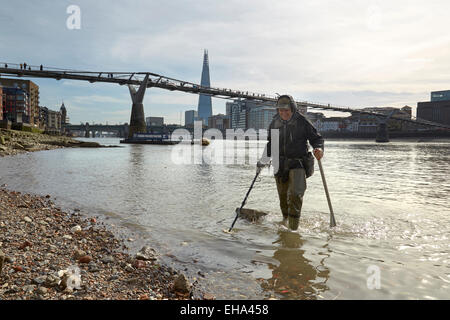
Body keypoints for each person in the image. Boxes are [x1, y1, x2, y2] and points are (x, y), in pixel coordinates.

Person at [257, 95, 324, 230]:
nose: (284, 113)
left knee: (295, 195)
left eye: (286, 110)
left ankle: (293, 230)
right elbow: (271, 144)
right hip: (280, 165)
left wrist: (319, 148)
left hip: (298, 163)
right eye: (281, 110)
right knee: (283, 198)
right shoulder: (275, 123)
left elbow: (317, 139)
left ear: (292, 109)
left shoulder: (302, 122)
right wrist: (262, 161)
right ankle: (284, 225)